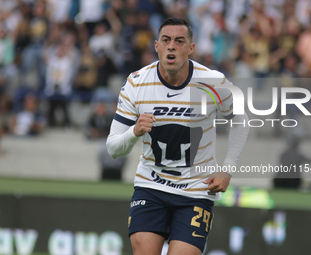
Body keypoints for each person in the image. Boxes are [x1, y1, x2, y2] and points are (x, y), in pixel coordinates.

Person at [106, 17, 249, 255]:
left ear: (191, 48)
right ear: (157, 46)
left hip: (195, 190)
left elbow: (242, 119)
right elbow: (113, 148)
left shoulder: (213, 82)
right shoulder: (136, 83)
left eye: (179, 41)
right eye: (166, 40)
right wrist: (135, 131)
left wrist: (227, 168)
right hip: (151, 186)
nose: (172, 46)